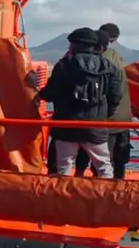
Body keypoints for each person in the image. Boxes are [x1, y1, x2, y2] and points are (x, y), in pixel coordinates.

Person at [35, 28, 122, 179]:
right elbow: (115, 96)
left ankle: (62, 200)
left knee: (63, 168)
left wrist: (35, 89)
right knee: (104, 168)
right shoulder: (108, 67)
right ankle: (105, 199)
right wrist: (103, 115)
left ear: (77, 44)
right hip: (96, 126)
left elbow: (49, 94)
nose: (69, 48)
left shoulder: (64, 65)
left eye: (71, 44)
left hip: (66, 125)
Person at [74, 26, 133, 179]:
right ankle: (117, 190)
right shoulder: (116, 56)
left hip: (106, 119)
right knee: (117, 161)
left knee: (101, 161)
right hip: (122, 119)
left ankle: (101, 193)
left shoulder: (100, 61)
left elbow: (112, 93)